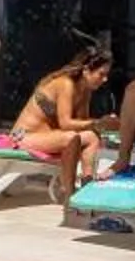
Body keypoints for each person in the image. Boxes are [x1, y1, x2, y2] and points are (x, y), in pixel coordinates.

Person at [9, 47, 116, 200]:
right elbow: (66, 124)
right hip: (23, 137)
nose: (105, 79)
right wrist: (98, 122)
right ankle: (68, 190)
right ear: (86, 70)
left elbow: (82, 123)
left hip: (47, 136)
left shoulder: (85, 91)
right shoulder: (66, 84)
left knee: (91, 136)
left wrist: (104, 125)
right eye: (101, 74)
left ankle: (87, 185)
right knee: (71, 138)